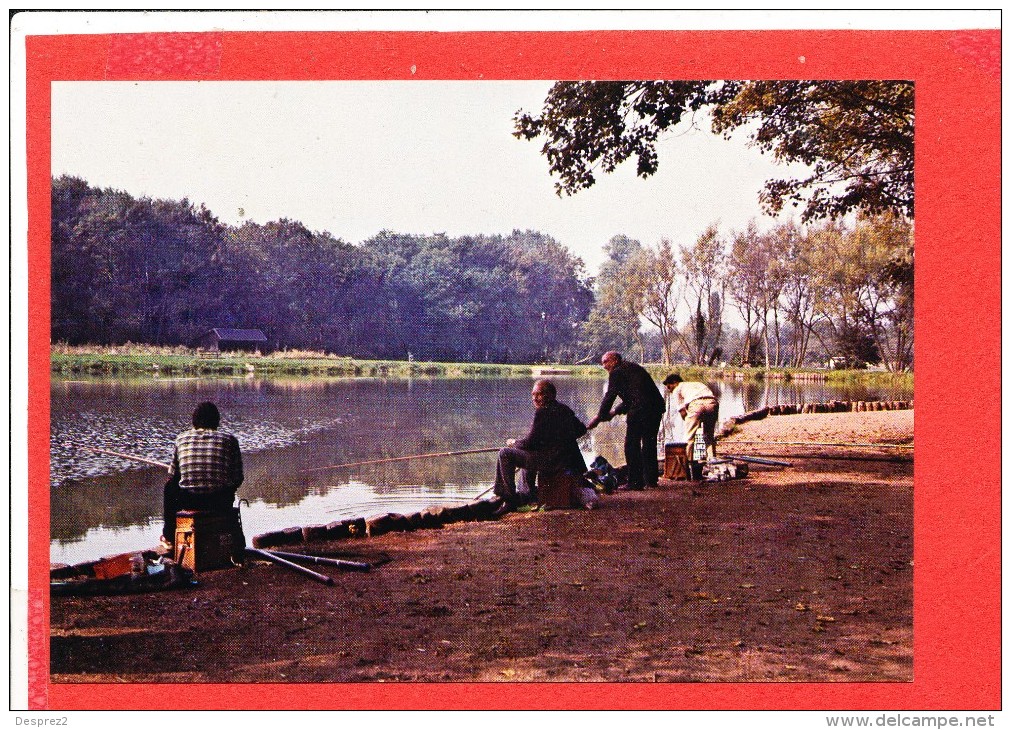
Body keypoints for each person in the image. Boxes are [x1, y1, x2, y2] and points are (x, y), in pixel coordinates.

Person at [491, 379, 588, 517]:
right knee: (528, 453)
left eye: (539, 394)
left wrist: (514, 442)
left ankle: (508, 499)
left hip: (552, 462)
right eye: (533, 395)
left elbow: (530, 442)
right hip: (564, 460)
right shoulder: (564, 409)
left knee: (505, 453)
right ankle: (527, 494)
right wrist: (557, 439)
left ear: (551, 395)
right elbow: (582, 430)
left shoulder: (542, 412)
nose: (535, 398)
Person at [161, 401, 244, 548]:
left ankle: (169, 536)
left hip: (188, 501)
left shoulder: (181, 439)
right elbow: (238, 478)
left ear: (194, 421)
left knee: (169, 486)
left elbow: (173, 475)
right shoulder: (230, 440)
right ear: (217, 421)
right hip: (218, 502)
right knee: (228, 485)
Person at [586, 351, 665, 490]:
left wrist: (598, 418)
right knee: (649, 443)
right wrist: (614, 412)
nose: (604, 366)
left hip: (641, 409)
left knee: (631, 445)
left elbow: (610, 396)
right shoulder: (632, 368)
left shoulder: (617, 372)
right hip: (655, 407)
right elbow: (633, 396)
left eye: (606, 362)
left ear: (615, 360)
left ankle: (635, 482)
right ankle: (651, 480)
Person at [663, 373, 719, 475]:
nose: (669, 389)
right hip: (712, 403)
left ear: (675, 382)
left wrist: (689, 422)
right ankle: (712, 461)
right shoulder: (697, 383)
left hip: (696, 404)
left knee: (689, 438)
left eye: (669, 386)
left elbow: (682, 411)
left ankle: (687, 465)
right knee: (709, 436)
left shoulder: (678, 388)